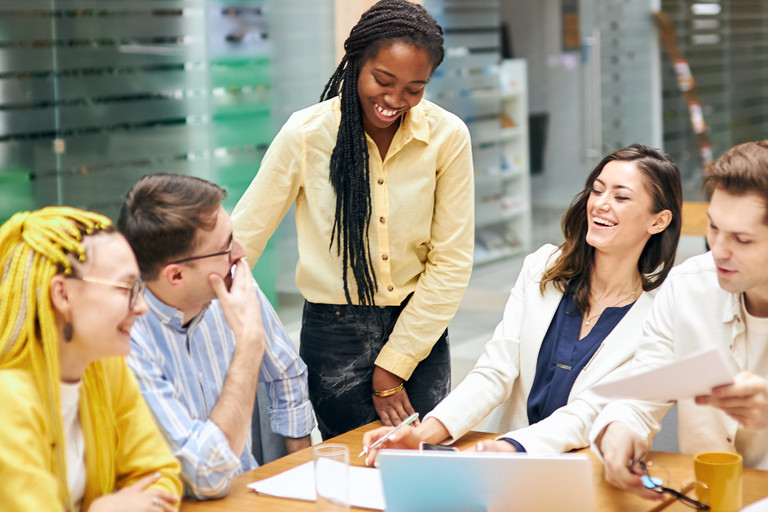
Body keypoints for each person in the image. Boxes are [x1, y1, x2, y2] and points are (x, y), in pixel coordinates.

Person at [231, 0, 474, 439]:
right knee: (353, 469)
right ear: (357, 61)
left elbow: (451, 261)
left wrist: (395, 364)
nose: (395, 100)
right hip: (334, 335)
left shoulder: (447, 137)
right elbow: (243, 238)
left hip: (419, 326)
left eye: (414, 88)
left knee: (425, 462)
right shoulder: (306, 134)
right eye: (383, 80)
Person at [362, 144, 682, 462]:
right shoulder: (542, 268)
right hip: (495, 460)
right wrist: (421, 435)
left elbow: (589, 412)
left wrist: (510, 447)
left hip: (577, 473)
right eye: (597, 190)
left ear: (658, 221)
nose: (600, 204)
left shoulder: (655, 317)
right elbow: (494, 371)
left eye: (621, 197)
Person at [117, 174, 315, 500]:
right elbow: (203, 478)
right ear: (176, 275)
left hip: (249, 491)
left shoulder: (231, 277)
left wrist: (298, 476)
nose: (240, 252)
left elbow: (287, 373)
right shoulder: (128, 339)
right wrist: (249, 345)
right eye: (225, 247)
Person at [590, 140, 768, 502]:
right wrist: (620, 429)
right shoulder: (688, 288)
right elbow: (641, 394)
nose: (717, 251)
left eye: (742, 239)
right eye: (714, 228)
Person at [0, 207, 182, 511]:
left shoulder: (104, 366)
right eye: (127, 288)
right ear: (62, 294)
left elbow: (162, 478)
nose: (142, 307)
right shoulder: (8, 400)